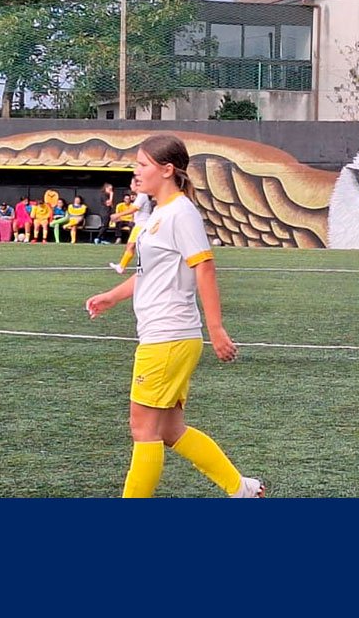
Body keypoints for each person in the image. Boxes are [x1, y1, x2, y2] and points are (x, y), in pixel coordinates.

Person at [84, 133, 262, 498]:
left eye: (142, 164)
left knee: (143, 431)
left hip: (168, 337)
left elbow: (205, 268)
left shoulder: (181, 212)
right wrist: (112, 297)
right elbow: (149, 273)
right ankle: (240, 488)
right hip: (167, 337)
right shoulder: (158, 214)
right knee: (169, 431)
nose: (136, 171)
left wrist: (216, 328)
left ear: (167, 170)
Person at [111, 179, 155, 274]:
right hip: (141, 225)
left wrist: (118, 215)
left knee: (132, 246)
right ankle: (122, 266)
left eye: (132, 183)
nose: (130, 186)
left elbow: (134, 209)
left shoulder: (142, 195)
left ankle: (122, 266)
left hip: (142, 225)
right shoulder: (141, 196)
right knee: (132, 246)